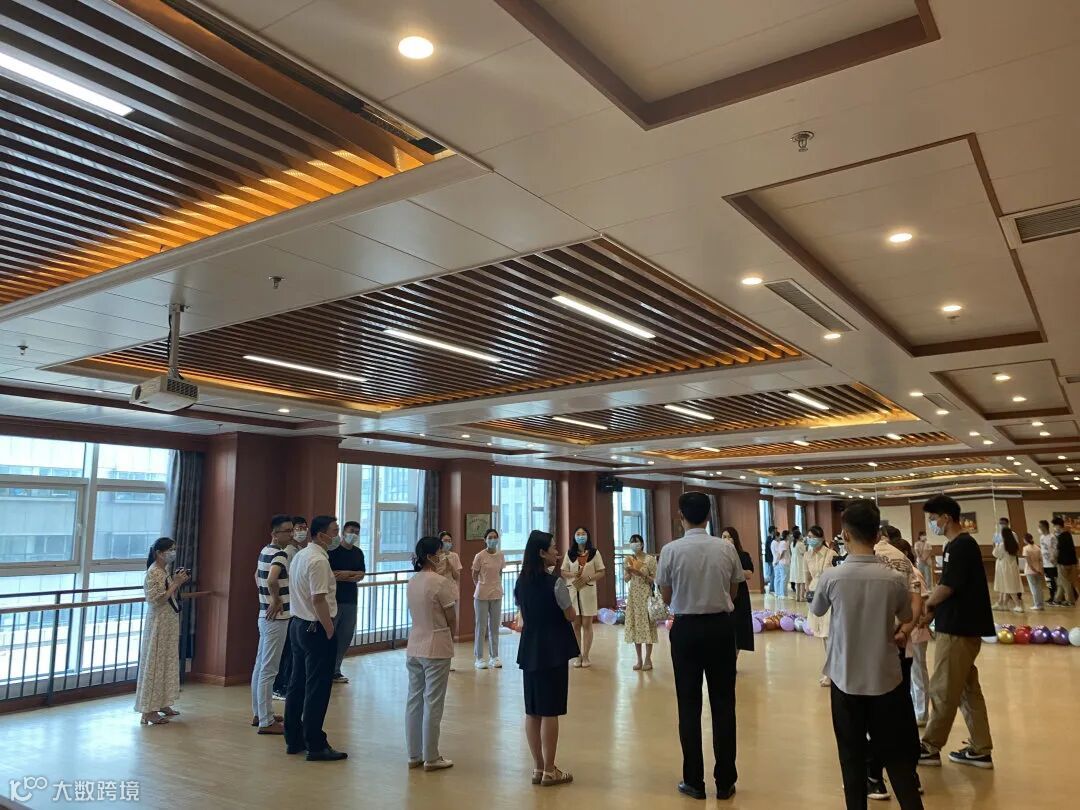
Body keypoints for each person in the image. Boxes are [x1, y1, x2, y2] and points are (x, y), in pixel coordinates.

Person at [811, 501, 922, 810]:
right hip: (885, 677)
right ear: (876, 536)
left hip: (845, 677)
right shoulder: (893, 578)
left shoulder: (832, 577)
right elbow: (905, 615)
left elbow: (817, 609)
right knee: (897, 758)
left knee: (851, 758)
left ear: (845, 535)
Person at [656, 492, 743, 801]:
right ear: (708, 517)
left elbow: (666, 596)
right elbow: (734, 590)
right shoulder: (726, 548)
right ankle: (725, 781)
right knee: (724, 704)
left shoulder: (670, 551)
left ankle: (694, 780)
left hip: (686, 630)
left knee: (689, 705)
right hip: (721, 629)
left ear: (681, 517)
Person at [917, 495, 994, 769]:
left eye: (933, 518)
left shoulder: (962, 545)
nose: (932, 524)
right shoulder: (955, 545)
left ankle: (929, 746)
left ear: (946, 517)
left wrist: (927, 605)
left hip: (959, 629)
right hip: (960, 625)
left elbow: (948, 586)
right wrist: (933, 610)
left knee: (943, 688)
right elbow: (950, 587)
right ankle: (981, 748)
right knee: (967, 690)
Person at [515, 529, 579, 787]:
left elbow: (524, 612)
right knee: (550, 710)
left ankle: (538, 767)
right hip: (553, 650)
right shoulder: (556, 583)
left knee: (533, 711)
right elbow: (570, 615)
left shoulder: (521, 582)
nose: (557, 552)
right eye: (553, 548)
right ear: (542, 553)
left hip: (530, 649)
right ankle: (551, 770)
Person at [284, 515, 347, 761]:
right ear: (321, 535)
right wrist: (329, 628)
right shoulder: (318, 560)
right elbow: (318, 598)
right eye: (334, 531)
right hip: (315, 627)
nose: (337, 535)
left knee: (297, 683)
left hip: (298, 624)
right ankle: (315, 743)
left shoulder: (301, 555)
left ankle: (294, 738)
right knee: (317, 687)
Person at [405, 536, 457, 772]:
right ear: (430, 556)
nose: (442, 556)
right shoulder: (440, 582)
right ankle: (432, 756)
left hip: (415, 644)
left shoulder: (412, 580)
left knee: (414, 700)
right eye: (439, 552)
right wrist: (450, 636)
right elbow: (451, 617)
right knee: (433, 702)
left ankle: (414, 754)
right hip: (436, 645)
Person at [134, 537, 188, 725]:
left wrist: (177, 582)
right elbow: (156, 599)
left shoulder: (164, 570)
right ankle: (149, 710)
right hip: (158, 622)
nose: (173, 553)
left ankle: (163, 702)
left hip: (168, 621)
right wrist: (176, 583)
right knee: (156, 661)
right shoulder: (154, 572)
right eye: (170, 549)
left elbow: (170, 595)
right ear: (159, 552)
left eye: (174, 549)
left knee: (167, 660)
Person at [251, 515, 293, 734]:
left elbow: (257, 576)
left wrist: (265, 598)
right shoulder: (280, 554)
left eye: (292, 530)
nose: (291, 534)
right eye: (287, 531)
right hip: (277, 618)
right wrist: (275, 600)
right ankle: (266, 721)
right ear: (275, 534)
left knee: (261, 666)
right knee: (269, 669)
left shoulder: (264, 551)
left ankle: (260, 712)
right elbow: (270, 579)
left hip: (264, 615)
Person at [274, 516, 309, 700]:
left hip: (296, 606)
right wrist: (276, 599)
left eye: (304, 528)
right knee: (285, 650)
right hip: (286, 605)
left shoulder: (300, 550)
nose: (301, 531)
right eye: (298, 528)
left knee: (292, 649)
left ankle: (287, 682)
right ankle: (279, 685)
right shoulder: (286, 552)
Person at [562, 526, 606, 668]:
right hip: (573, 591)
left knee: (587, 624)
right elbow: (563, 571)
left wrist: (589, 577)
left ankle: (586, 655)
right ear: (574, 537)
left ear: (587, 536)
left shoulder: (594, 553)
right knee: (575, 625)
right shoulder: (570, 553)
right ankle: (578, 655)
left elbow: (601, 571)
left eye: (583, 533)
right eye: (578, 534)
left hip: (588, 592)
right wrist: (572, 575)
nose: (581, 536)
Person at [329, 520, 366, 683]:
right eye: (351, 531)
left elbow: (361, 574)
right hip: (333, 600)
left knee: (345, 636)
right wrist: (349, 574)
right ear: (343, 532)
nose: (354, 535)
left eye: (357, 532)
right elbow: (331, 574)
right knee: (330, 636)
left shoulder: (358, 553)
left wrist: (345, 574)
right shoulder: (333, 551)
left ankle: (336, 670)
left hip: (351, 600)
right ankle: (325, 669)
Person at [806, 525, 838, 687]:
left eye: (813, 537)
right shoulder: (807, 555)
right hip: (814, 595)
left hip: (828, 595)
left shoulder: (831, 554)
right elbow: (807, 576)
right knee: (823, 636)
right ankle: (830, 671)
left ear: (821, 538)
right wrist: (807, 593)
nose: (810, 539)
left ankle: (832, 673)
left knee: (829, 635)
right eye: (808, 537)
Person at [622, 533, 657, 671]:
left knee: (647, 625)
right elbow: (626, 579)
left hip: (646, 595)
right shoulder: (629, 559)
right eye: (631, 542)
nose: (634, 544)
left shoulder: (650, 559)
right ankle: (639, 659)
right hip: (633, 597)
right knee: (636, 625)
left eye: (636, 541)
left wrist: (641, 574)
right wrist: (629, 571)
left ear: (642, 544)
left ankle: (648, 658)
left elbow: (654, 579)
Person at [471, 528, 506, 670]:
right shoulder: (480, 556)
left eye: (495, 537)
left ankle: (494, 656)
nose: (493, 540)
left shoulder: (500, 555)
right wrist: (481, 586)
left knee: (494, 626)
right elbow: (474, 575)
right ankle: (479, 657)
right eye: (490, 537)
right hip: (481, 595)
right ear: (485, 540)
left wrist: (495, 586)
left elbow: (500, 572)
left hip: (496, 593)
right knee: (481, 626)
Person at [720, 527, 754, 659]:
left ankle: (734, 658)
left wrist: (734, 572)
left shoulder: (743, 555)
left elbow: (749, 574)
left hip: (740, 593)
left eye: (729, 537)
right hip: (722, 592)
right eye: (724, 537)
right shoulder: (717, 555)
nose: (727, 539)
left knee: (739, 626)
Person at [992, 528, 1024, 613]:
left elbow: (996, 554)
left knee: (1009, 586)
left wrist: (995, 545)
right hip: (1012, 566)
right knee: (1005, 586)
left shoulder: (1002, 544)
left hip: (1004, 567)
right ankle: (1002, 604)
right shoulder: (1014, 544)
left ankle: (1018, 605)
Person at [1052, 516, 1078, 606]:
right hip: (1072, 562)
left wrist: (1054, 559)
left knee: (1065, 582)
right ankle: (1057, 599)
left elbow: (1057, 550)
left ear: (1058, 526)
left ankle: (1071, 600)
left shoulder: (1060, 537)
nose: (1054, 528)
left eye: (1054, 526)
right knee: (1061, 581)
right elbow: (1072, 549)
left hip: (1063, 563)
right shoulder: (1069, 535)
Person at [1022, 533, 1045, 611]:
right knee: (1039, 588)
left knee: (1033, 589)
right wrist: (1039, 570)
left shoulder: (1025, 548)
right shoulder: (1037, 547)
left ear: (1025, 540)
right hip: (1038, 569)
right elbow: (1041, 560)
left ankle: (1037, 605)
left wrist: (1034, 570)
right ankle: (1041, 604)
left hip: (1030, 571)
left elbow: (1029, 562)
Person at [1039, 520, 1059, 605]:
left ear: (1044, 527)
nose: (1039, 528)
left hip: (1052, 564)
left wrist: (1054, 558)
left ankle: (1057, 596)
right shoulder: (1041, 537)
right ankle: (1051, 596)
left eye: (1040, 526)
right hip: (1045, 563)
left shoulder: (1052, 537)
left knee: (1053, 581)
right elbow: (1042, 549)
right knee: (1048, 581)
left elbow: (1055, 549)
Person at [771, 530, 791, 600]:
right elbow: (781, 553)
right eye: (778, 536)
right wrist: (778, 560)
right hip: (780, 562)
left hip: (778, 562)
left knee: (779, 578)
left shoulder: (778, 542)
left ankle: (778, 593)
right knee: (783, 578)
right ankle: (782, 594)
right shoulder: (777, 543)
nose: (779, 537)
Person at [790, 528, 808, 602]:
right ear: (799, 536)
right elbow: (804, 553)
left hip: (794, 564)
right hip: (800, 563)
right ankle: (802, 597)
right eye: (801, 535)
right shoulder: (800, 544)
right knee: (802, 581)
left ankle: (797, 597)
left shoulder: (792, 544)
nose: (802, 536)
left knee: (797, 581)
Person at [763, 526, 777, 594]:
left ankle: (772, 588)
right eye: (775, 530)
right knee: (772, 573)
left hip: (771, 559)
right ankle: (772, 588)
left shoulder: (771, 538)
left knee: (772, 573)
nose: (776, 532)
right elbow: (772, 549)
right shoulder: (769, 539)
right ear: (772, 531)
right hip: (770, 559)